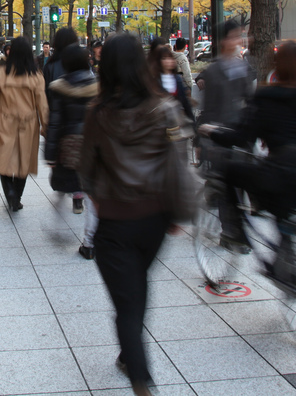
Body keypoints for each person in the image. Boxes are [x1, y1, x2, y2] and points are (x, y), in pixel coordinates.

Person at [77, 33, 193, 396]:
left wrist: (97, 196)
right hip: (154, 220)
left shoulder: (98, 114)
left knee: (128, 301)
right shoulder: (165, 109)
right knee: (135, 292)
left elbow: (85, 167)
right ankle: (131, 359)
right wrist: (178, 212)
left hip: (114, 221)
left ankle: (140, 378)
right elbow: (177, 164)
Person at [199, 41, 296, 255]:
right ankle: (288, 259)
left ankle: (235, 232)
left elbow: (241, 136)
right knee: (284, 209)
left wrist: (212, 131)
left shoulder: (268, 98)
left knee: (229, 171)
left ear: (278, 65)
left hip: (280, 174)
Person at [45, 44, 99, 257]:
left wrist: (49, 154)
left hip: (66, 147)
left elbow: (55, 123)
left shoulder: (59, 87)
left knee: (60, 187)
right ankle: (89, 242)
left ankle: (59, 228)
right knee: (92, 194)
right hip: (92, 146)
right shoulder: (98, 85)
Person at [0, 36, 48, 212]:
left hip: (5, 120)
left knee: (4, 159)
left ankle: (10, 194)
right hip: (28, 122)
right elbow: (42, 104)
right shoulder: (37, 76)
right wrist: (45, 125)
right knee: (24, 161)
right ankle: (17, 197)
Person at [194, 20, 254, 168]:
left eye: (238, 36)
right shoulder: (213, 70)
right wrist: (200, 141)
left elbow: (251, 101)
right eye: (233, 37)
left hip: (239, 133)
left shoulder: (243, 67)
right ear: (223, 41)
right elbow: (208, 109)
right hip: (218, 135)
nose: (237, 41)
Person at [148, 43, 195, 122]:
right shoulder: (154, 81)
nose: (168, 61)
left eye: (170, 58)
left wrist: (193, 123)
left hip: (177, 121)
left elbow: (185, 103)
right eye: (164, 58)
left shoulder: (177, 79)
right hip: (160, 123)